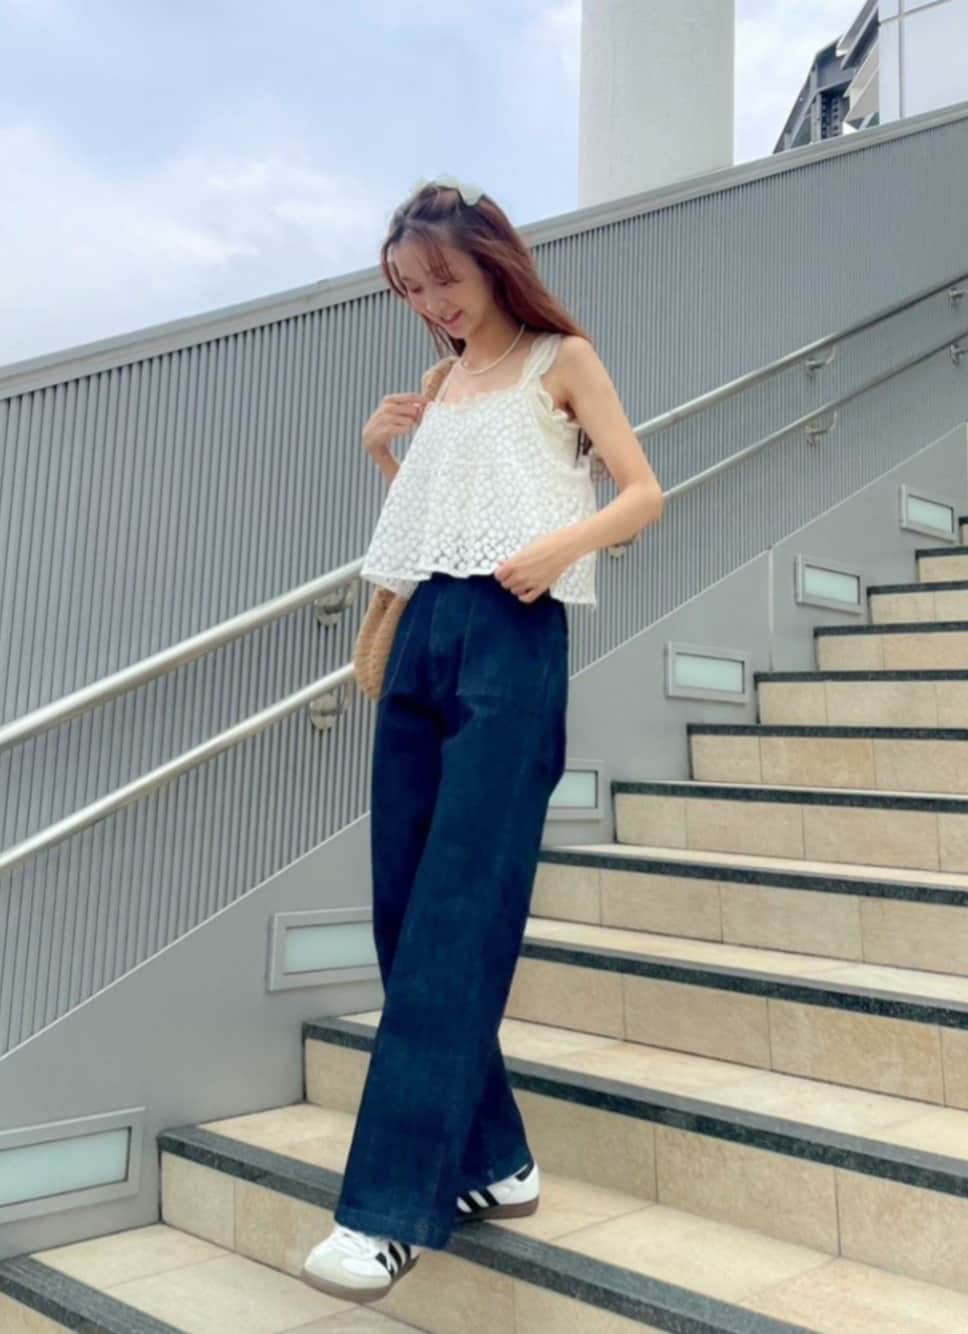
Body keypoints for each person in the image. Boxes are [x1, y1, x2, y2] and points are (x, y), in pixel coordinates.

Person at [301, 173, 664, 1304]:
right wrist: (382, 452)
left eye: (443, 278)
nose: (434, 303)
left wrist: (562, 548)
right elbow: (440, 516)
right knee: (404, 915)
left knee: (460, 914)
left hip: (514, 634)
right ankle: (498, 1161)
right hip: (422, 635)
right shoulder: (438, 381)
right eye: (412, 290)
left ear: (491, 260)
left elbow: (643, 491)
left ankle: (387, 1211)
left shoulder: (563, 359)